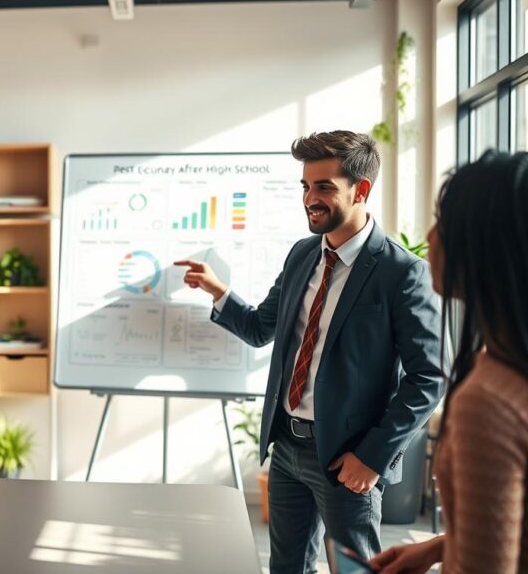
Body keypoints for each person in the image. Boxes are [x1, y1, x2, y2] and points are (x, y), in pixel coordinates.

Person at [176, 131, 444, 573]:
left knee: (354, 569)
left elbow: (428, 378)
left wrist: (372, 458)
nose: (309, 199)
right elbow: (263, 328)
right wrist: (218, 291)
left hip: (347, 460)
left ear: (361, 191)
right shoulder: (302, 255)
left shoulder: (402, 272)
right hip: (287, 448)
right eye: (305, 186)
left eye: (324, 187)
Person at [370, 151, 528, 574]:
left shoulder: (490, 400)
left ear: (487, 247)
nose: (430, 235)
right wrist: (440, 547)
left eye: (442, 220)